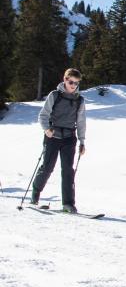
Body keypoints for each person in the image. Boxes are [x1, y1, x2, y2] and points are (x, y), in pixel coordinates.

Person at [32, 68, 86, 212]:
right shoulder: (55, 95)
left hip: (69, 138)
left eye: (76, 83)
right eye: (71, 82)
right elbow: (43, 115)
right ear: (65, 79)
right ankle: (36, 192)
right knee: (48, 167)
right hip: (53, 136)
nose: (73, 85)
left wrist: (82, 141)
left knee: (68, 170)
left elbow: (81, 122)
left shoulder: (79, 100)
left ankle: (68, 203)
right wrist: (46, 129)